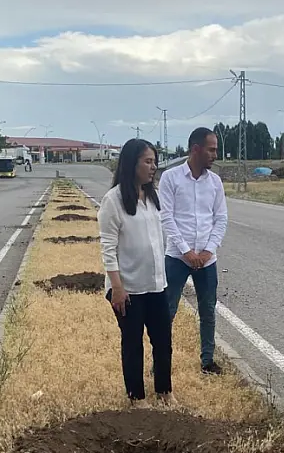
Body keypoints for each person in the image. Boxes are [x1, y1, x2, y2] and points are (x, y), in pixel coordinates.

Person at [97, 138, 174, 407]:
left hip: (155, 285)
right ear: (132, 164)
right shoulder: (113, 200)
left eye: (154, 161)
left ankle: (164, 391)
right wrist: (117, 287)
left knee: (163, 340)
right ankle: (136, 397)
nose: (153, 167)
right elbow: (108, 248)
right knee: (133, 344)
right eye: (147, 161)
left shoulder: (152, 197)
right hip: (128, 288)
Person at [159, 127, 229, 375]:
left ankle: (207, 361)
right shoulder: (171, 178)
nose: (215, 155)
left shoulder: (215, 182)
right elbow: (166, 218)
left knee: (208, 309)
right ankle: (161, 362)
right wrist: (186, 251)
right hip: (177, 257)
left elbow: (220, 218)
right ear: (196, 149)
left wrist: (208, 251)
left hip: (207, 260)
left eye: (216, 150)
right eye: (211, 149)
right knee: (167, 310)